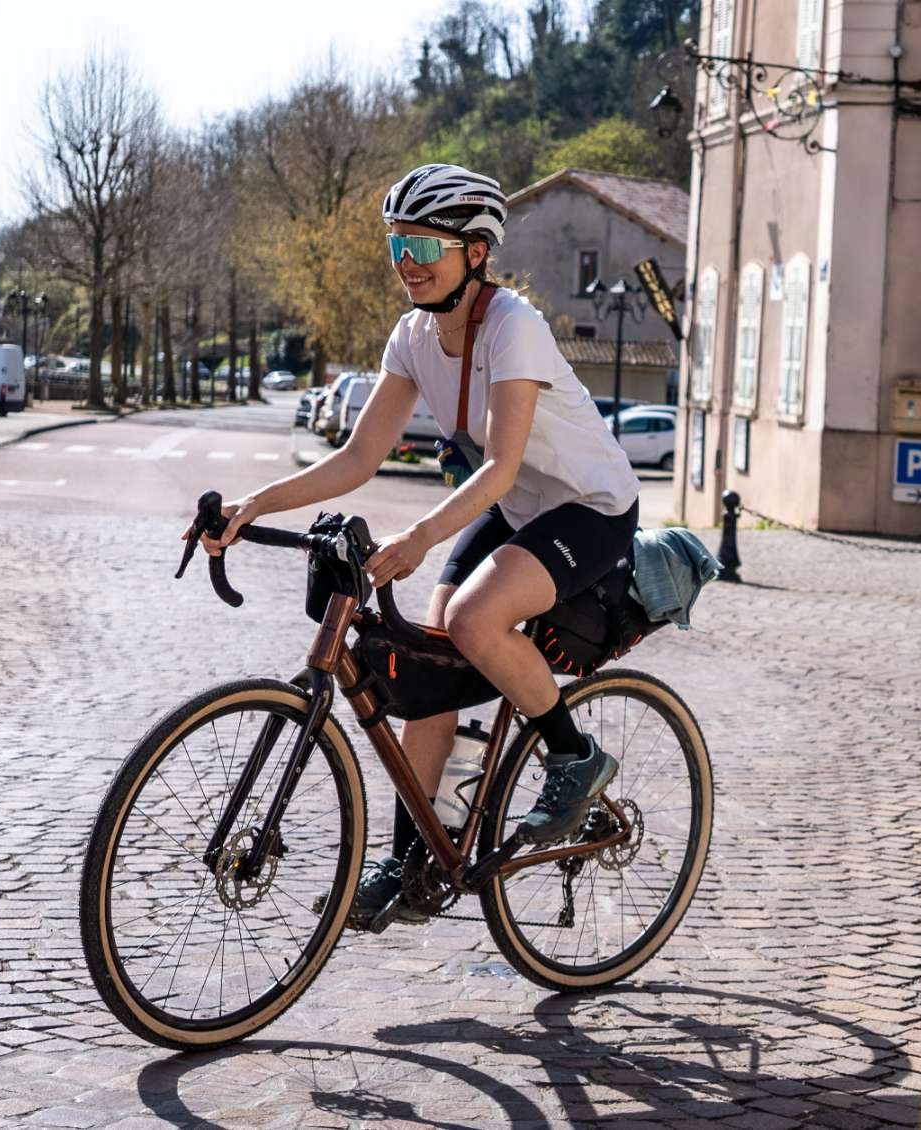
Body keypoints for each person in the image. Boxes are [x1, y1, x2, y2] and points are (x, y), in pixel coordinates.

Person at [204, 163, 642, 930]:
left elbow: (501, 463)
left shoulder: (515, 327)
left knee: (474, 621)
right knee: (427, 659)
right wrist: (252, 505)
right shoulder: (413, 336)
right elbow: (355, 458)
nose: (407, 260)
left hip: (590, 508)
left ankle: (575, 757)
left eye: (424, 245)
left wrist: (414, 538)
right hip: (515, 508)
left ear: (476, 252)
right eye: (398, 243)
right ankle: (411, 860)